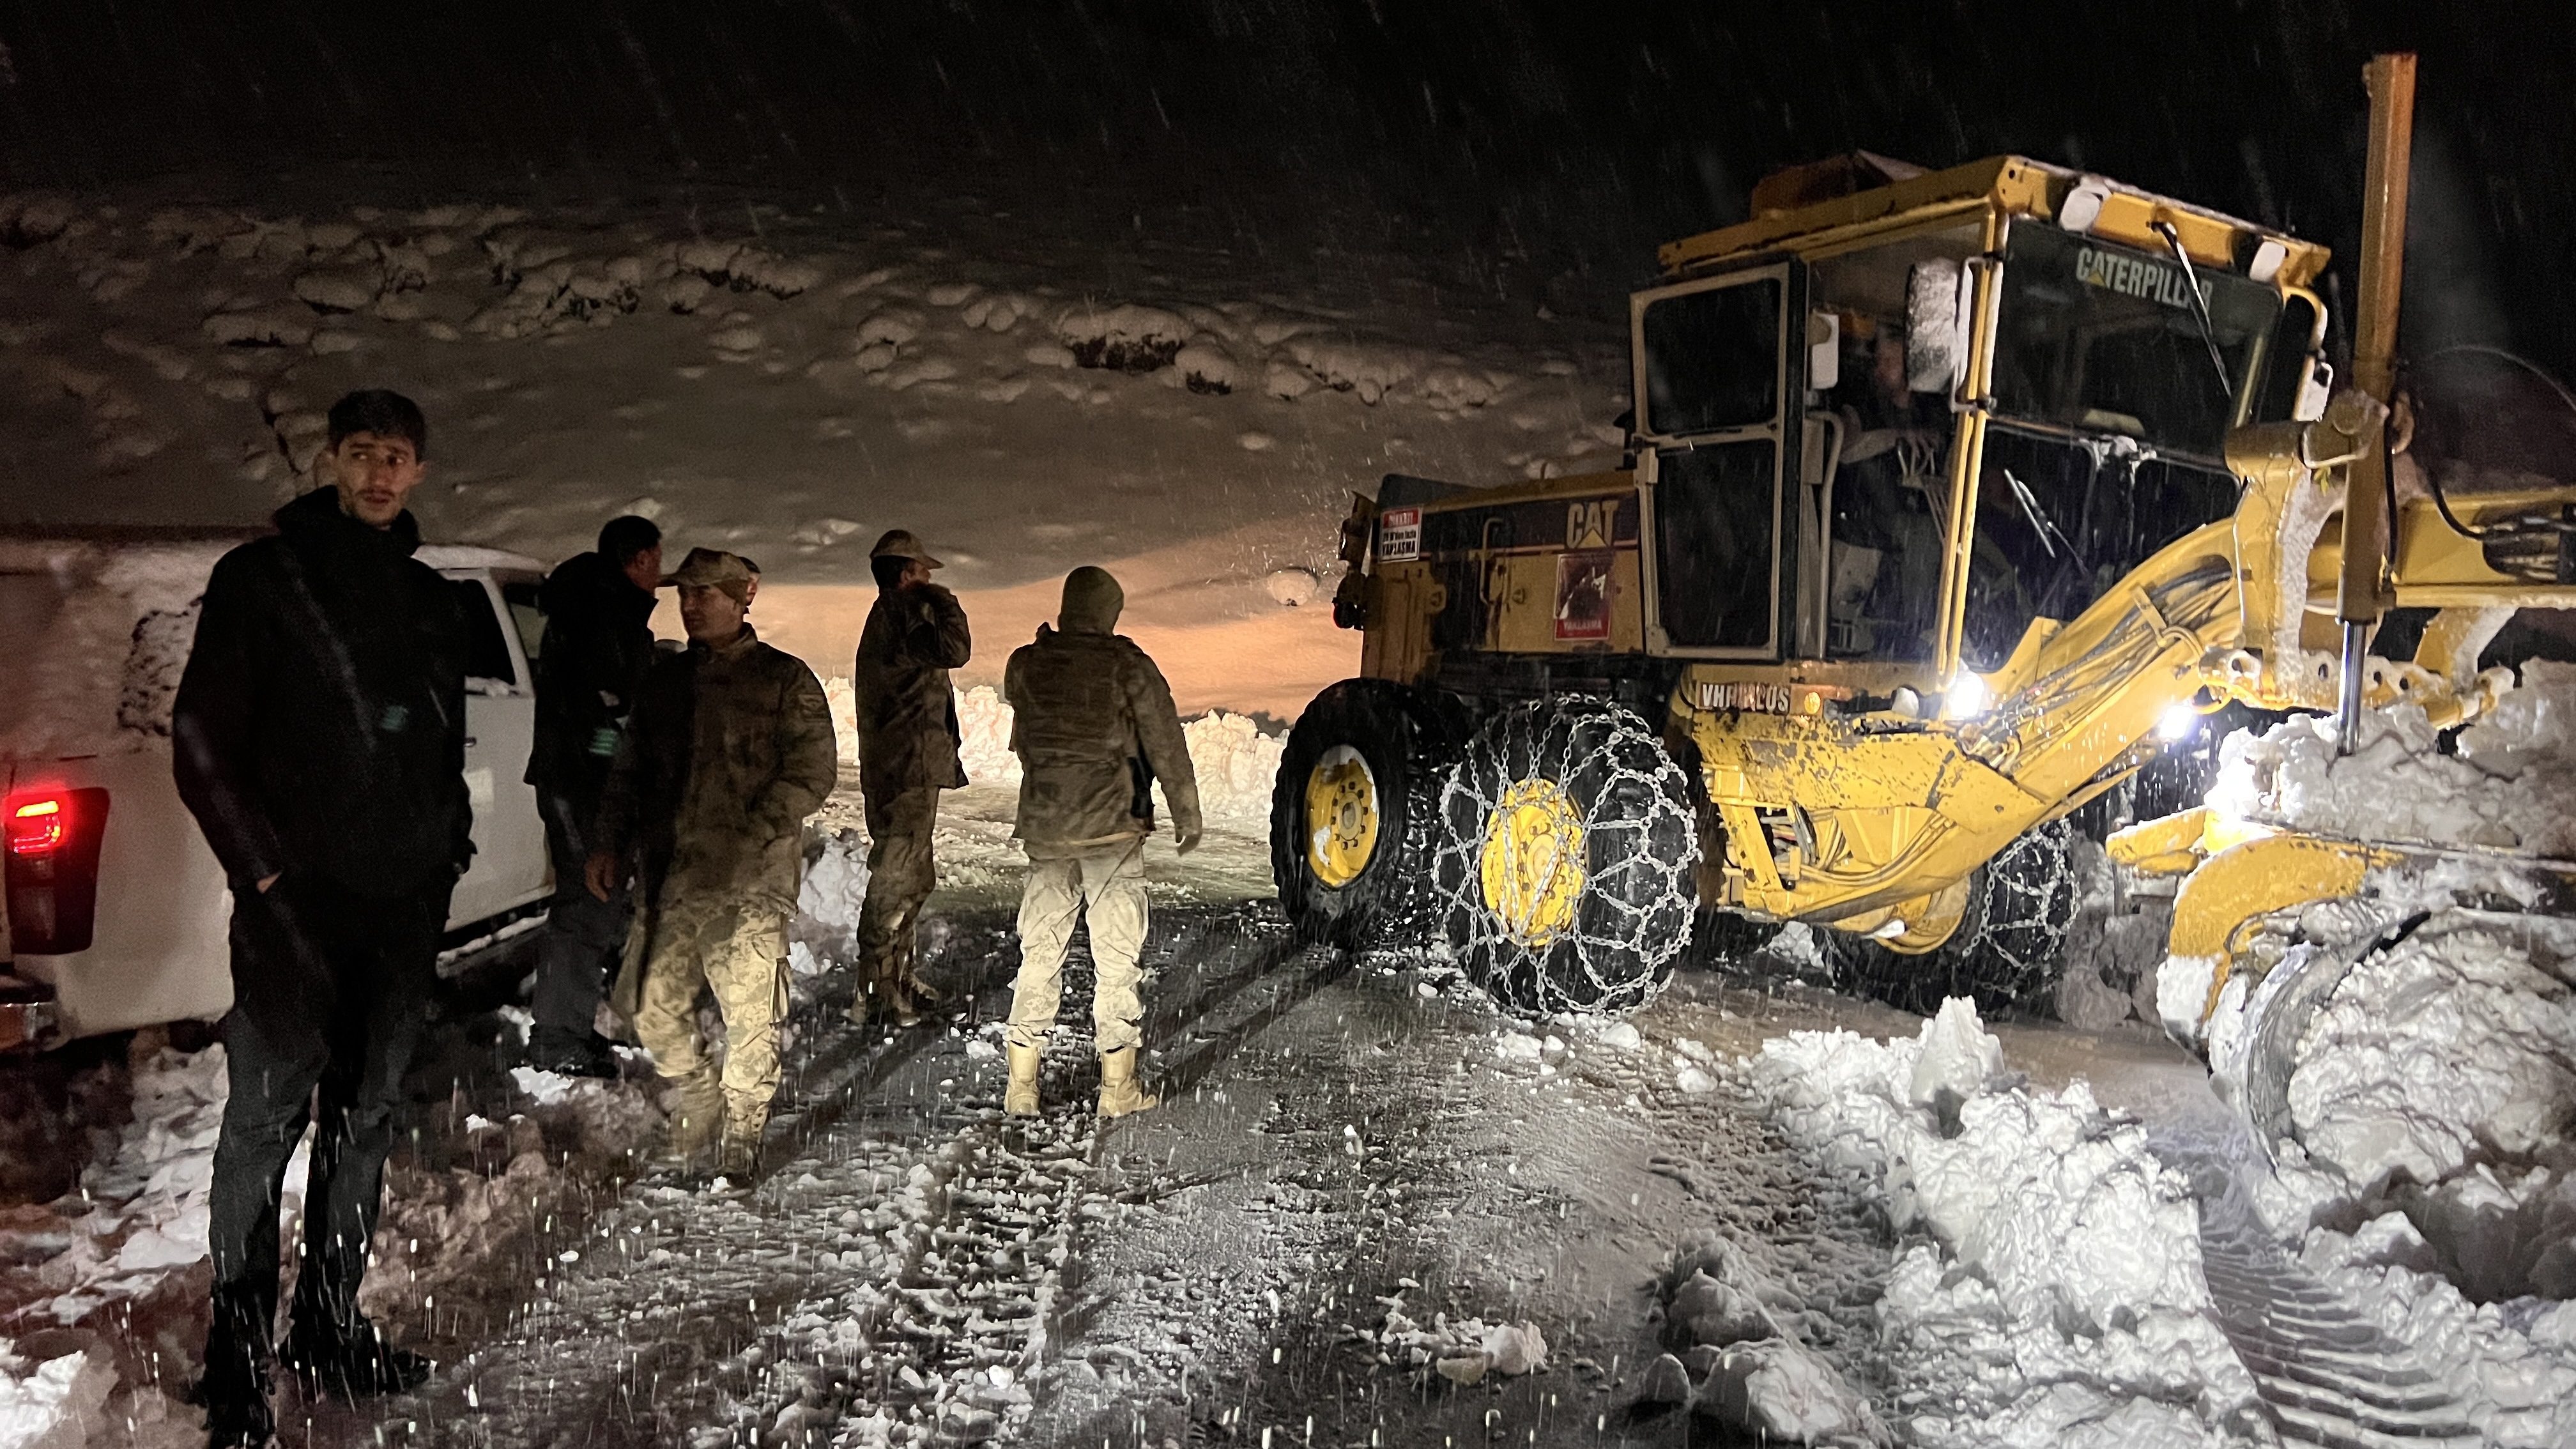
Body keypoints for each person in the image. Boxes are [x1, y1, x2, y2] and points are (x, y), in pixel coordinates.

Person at [171, 390, 471, 1446]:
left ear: (419, 470)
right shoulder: (262, 580)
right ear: (331, 460)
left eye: (398, 455)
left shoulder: (430, 598)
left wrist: (448, 856)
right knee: (263, 1121)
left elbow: (442, 745)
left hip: (399, 908)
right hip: (294, 909)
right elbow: (201, 735)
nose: (380, 472)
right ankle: (239, 1360)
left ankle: (329, 1327)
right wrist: (261, 874)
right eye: (361, 453)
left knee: (365, 1121)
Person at [590, 548, 836, 1180]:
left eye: (706, 594)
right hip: (671, 878)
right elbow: (629, 771)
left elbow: (811, 774)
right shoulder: (665, 683)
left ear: (744, 594)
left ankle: (742, 1135)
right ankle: (697, 1089)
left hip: (749, 884)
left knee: (753, 1017)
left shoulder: (784, 679)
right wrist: (609, 840)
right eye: (685, 595)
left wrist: (753, 832)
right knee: (643, 1001)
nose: (692, 606)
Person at [1000, 566, 1200, 1119]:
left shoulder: (1028, 662)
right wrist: (1186, 809)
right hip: (1112, 830)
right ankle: (1118, 1087)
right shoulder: (1127, 666)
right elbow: (1165, 740)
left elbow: (1023, 718)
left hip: (1046, 828)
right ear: (1108, 612)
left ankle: (1022, 1085)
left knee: (1040, 950)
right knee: (1116, 958)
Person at [523, 514, 663, 1077]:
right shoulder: (603, 615)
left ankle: (570, 1025)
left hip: (583, 780)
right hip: (584, 785)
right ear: (640, 561)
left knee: (594, 904)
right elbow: (602, 710)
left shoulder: (592, 606)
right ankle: (557, 1038)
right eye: (656, 561)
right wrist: (618, 752)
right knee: (587, 904)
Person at [849, 529, 971, 1026]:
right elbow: (956, 649)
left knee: (912, 877)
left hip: (906, 765)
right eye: (922, 572)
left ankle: (894, 977)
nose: (929, 579)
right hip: (903, 767)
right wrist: (940, 599)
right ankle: (874, 988)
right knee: (897, 876)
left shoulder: (892, 618)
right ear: (905, 576)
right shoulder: (902, 615)